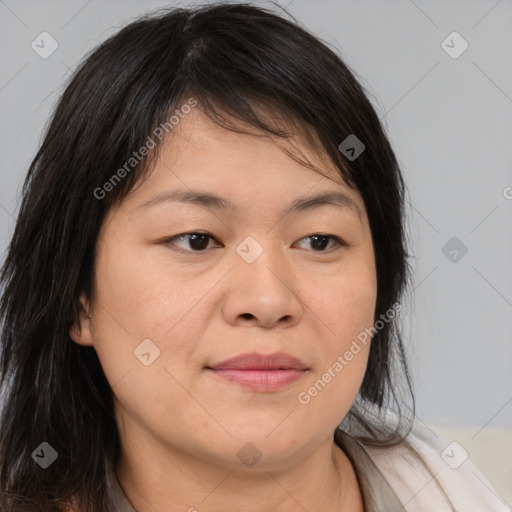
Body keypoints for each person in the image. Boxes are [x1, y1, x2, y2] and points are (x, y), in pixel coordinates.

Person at [0, 2, 507, 511]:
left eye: (319, 240)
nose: (267, 299)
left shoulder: (460, 491)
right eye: (196, 239)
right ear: (77, 297)